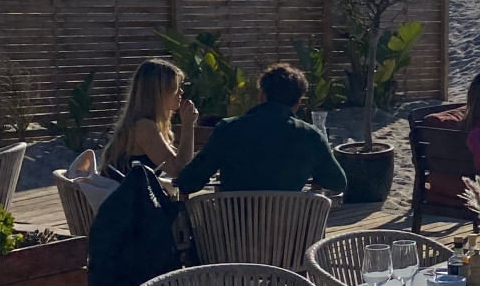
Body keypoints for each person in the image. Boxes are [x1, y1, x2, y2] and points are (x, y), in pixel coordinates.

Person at [175, 63, 346, 194]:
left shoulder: (228, 129)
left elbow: (187, 182)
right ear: (298, 103)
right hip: (291, 234)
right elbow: (338, 183)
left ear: (261, 95)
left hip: (233, 234)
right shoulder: (310, 136)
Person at [102, 59, 199, 178]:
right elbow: (180, 170)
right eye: (175, 88)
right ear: (159, 93)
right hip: (128, 195)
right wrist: (188, 125)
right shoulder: (144, 127)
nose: (181, 92)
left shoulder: (143, 123)